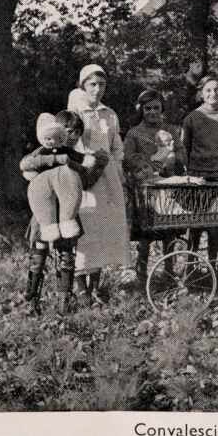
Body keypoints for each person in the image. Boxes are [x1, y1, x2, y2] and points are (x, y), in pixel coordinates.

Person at [20, 110, 102, 315]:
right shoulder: (43, 152)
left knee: (67, 254)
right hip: (43, 213)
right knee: (38, 253)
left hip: (66, 212)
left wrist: (96, 165)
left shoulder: (72, 156)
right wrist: (55, 161)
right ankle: (31, 300)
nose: (72, 135)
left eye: (76, 132)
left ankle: (63, 301)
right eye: (67, 131)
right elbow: (27, 165)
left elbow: (85, 180)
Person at [66, 64, 131, 305]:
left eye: (101, 84)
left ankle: (96, 285)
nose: (97, 89)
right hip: (85, 174)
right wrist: (87, 162)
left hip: (108, 175)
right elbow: (71, 142)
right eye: (92, 84)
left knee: (104, 228)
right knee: (86, 228)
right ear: (83, 86)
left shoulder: (109, 114)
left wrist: (118, 171)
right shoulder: (76, 109)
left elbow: (116, 145)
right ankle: (80, 287)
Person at [124, 88, 188, 287]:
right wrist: (147, 163)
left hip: (167, 185)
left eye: (156, 108)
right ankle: (141, 271)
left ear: (162, 109)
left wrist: (171, 157)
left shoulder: (171, 130)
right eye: (147, 108)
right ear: (141, 110)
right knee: (145, 233)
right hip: (144, 188)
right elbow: (126, 159)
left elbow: (182, 155)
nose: (152, 112)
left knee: (168, 228)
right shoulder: (134, 133)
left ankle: (169, 271)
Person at [181, 76, 218, 262]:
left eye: (216, 90)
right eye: (208, 90)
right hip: (199, 176)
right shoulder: (192, 118)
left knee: (215, 225)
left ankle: (214, 265)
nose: (212, 94)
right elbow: (185, 148)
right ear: (201, 93)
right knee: (196, 223)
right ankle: (191, 266)